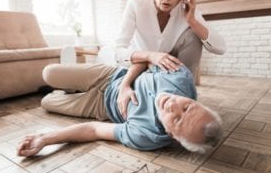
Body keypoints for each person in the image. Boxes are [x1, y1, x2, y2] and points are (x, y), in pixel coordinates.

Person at [17, 63, 223, 157]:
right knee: (49, 72)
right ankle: (67, 87)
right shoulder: (180, 77)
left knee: (46, 102)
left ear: (171, 135)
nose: (172, 105)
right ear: (196, 101)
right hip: (109, 76)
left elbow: (94, 130)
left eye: (176, 120)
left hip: (100, 106)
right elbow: (142, 61)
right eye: (187, 107)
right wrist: (125, 85)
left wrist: (45, 139)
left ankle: (64, 92)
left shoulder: (147, 137)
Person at [115, 0, 226, 118]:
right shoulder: (136, 3)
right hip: (141, 66)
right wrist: (150, 55)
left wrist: (192, 20)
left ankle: (183, 95)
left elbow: (220, 48)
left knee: (193, 35)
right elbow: (118, 51)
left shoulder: (186, 9)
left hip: (173, 69)